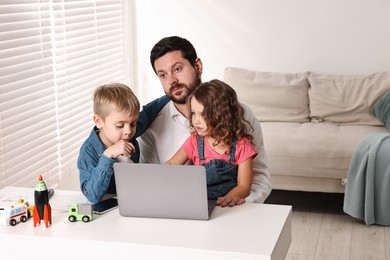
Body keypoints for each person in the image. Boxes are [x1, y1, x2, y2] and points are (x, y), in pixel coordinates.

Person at [138, 36, 271, 204]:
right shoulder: (151, 124)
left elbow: (258, 177)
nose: (171, 80)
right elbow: (155, 179)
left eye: (178, 69)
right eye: (163, 75)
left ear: (197, 66)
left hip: (231, 208)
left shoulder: (240, 114)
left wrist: (235, 206)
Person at [165, 79, 258, 207]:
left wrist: (228, 199)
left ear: (222, 115)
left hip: (225, 205)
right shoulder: (195, 141)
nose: (196, 121)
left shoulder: (242, 145)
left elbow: (244, 186)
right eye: (193, 114)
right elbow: (172, 163)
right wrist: (153, 175)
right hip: (198, 203)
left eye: (203, 115)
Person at [77, 83, 169, 204]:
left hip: (135, 197)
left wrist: (171, 95)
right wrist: (107, 156)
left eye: (133, 124)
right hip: (111, 208)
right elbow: (92, 195)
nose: (128, 131)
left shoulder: (127, 133)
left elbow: (148, 113)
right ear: (99, 121)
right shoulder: (88, 153)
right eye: (120, 125)